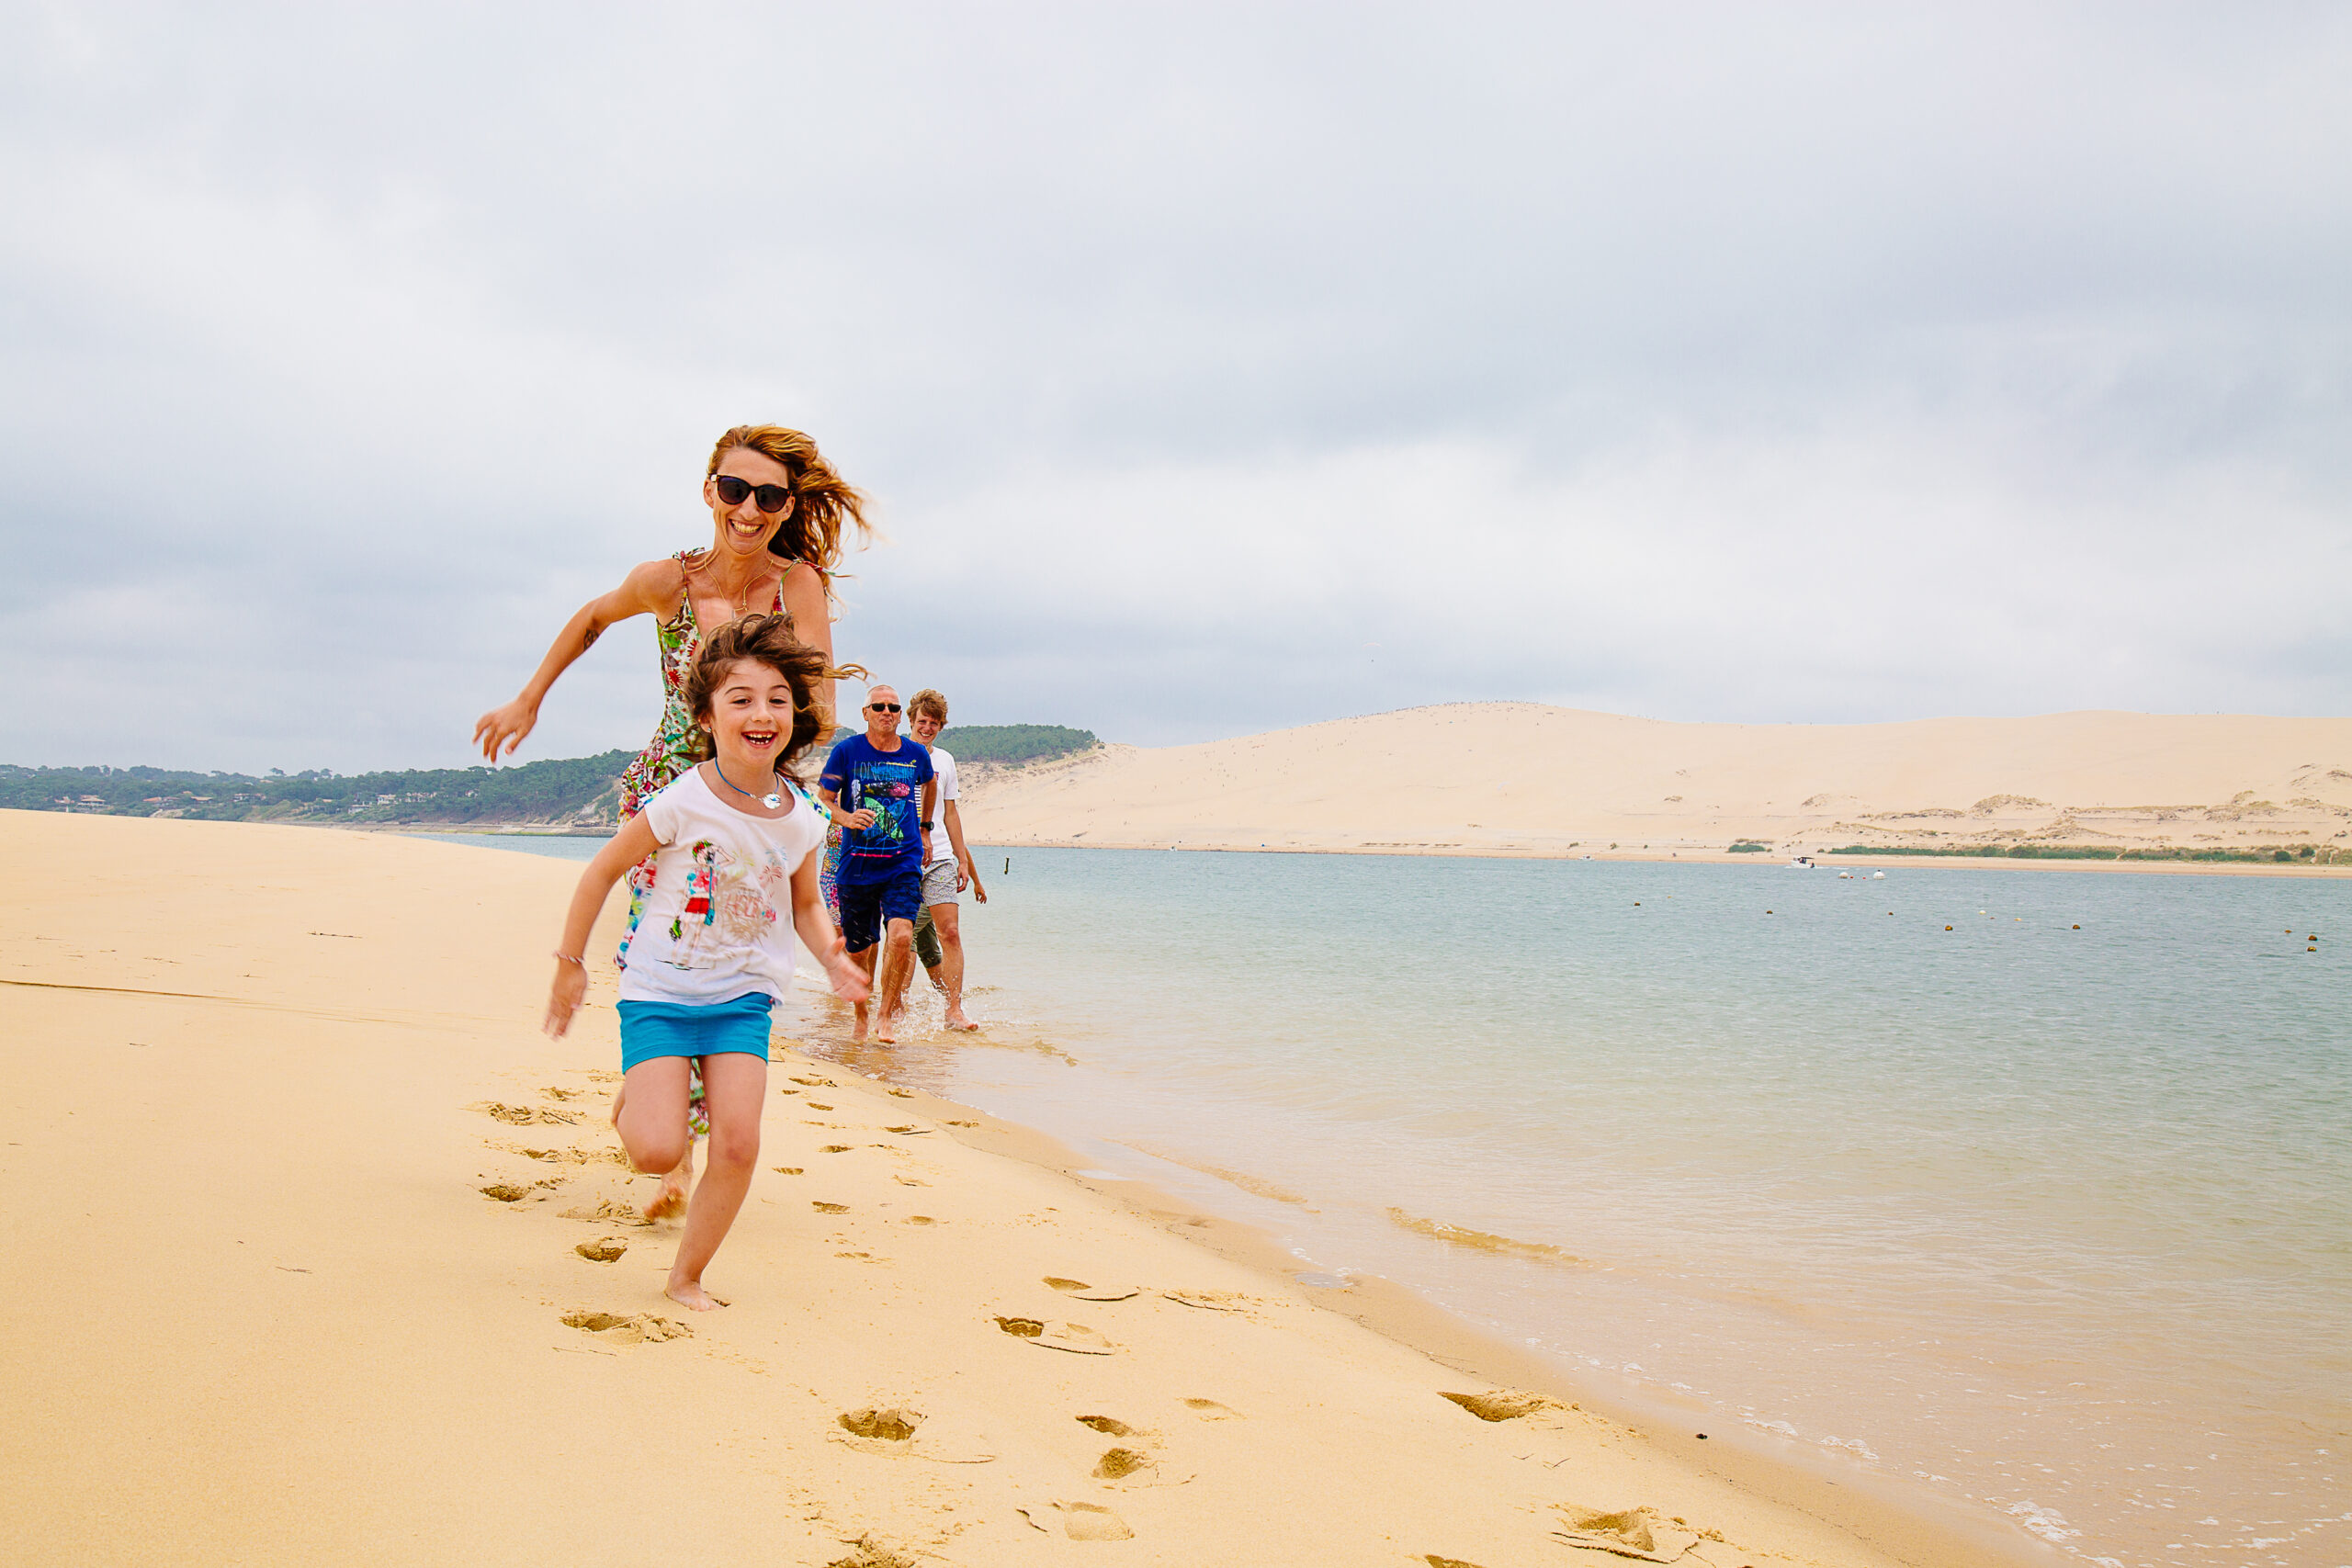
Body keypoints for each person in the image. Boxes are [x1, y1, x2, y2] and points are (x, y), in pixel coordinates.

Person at [476, 423, 868, 1217]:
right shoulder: (667, 580)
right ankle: (670, 1147)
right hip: (672, 793)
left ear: (787, 505)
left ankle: (676, 1136)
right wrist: (528, 699)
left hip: (757, 803)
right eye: (734, 489)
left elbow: (821, 703)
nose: (749, 509)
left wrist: (781, 733)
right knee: (669, 950)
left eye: (768, 496)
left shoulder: (800, 588)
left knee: (730, 962)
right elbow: (591, 618)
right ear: (709, 490)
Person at [543, 613, 867, 1312]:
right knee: (657, 1152)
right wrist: (571, 962)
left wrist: (833, 957)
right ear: (707, 714)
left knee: (739, 1144)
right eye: (741, 698)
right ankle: (635, 1099)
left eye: (777, 698)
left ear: (795, 714)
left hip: (744, 999)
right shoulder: (683, 798)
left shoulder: (802, 813)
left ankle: (686, 1274)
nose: (762, 713)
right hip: (660, 990)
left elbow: (806, 903)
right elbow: (601, 871)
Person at [817, 684, 934, 1043]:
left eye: (894, 707)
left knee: (900, 937)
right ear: (865, 713)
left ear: (901, 715)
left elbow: (929, 784)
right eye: (879, 706)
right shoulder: (847, 752)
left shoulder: (915, 755)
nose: (887, 712)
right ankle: (862, 1013)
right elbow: (822, 799)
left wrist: (925, 829)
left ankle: (886, 1016)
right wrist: (846, 818)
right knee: (860, 949)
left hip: (903, 863)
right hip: (858, 865)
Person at [899, 688, 987, 1032]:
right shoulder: (896, 754)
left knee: (950, 932)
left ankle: (953, 1011)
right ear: (911, 720)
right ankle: (896, 1008)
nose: (928, 728)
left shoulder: (946, 761)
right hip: (903, 858)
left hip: (941, 859)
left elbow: (951, 813)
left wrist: (962, 860)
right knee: (902, 936)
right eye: (923, 721)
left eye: (935, 723)